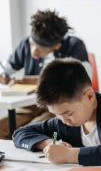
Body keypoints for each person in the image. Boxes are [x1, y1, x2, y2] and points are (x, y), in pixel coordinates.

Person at [0, 9, 91, 139]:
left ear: (57, 46)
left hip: (60, 106)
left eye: (40, 49)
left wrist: (30, 80)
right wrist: (3, 74)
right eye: (32, 44)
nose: (34, 52)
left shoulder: (74, 45)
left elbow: (84, 79)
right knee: (3, 127)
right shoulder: (25, 44)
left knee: (28, 131)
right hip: (33, 103)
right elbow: (6, 67)